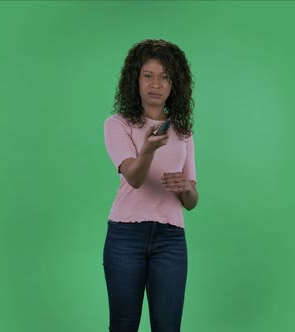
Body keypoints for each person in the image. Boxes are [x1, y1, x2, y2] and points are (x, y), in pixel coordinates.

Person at [102, 39, 198, 332]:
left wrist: (184, 187)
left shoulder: (183, 132)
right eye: (148, 75)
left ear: (174, 85)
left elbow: (191, 200)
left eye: (165, 76)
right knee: (123, 326)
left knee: (168, 327)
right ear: (136, 80)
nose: (156, 84)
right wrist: (148, 148)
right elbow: (134, 176)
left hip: (170, 239)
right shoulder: (117, 124)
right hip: (125, 236)